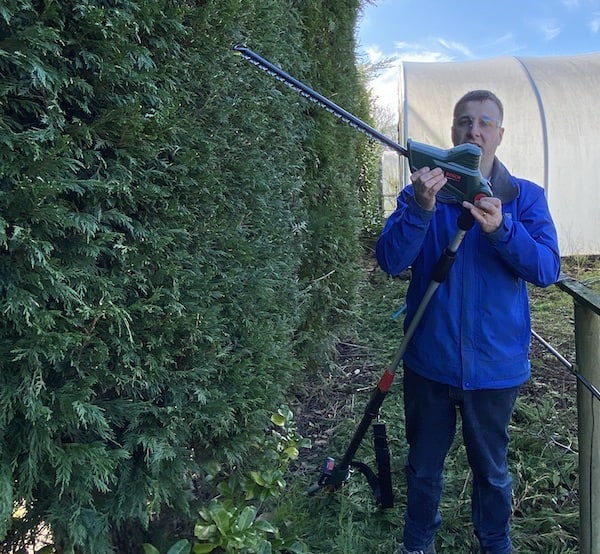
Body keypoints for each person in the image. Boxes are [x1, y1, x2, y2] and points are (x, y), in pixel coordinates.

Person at [376, 90, 561, 554]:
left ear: (499, 134)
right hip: (429, 361)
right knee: (422, 465)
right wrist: (420, 209)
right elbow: (390, 260)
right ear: (453, 132)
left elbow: (546, 270)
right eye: (464, 122)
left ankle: (495, 542)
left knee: (492, 470)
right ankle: (418, 542)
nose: (473, 130)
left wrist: (502, 231)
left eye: (484, 123)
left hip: (496, 368)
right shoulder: (423, 194)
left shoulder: (525, 198)